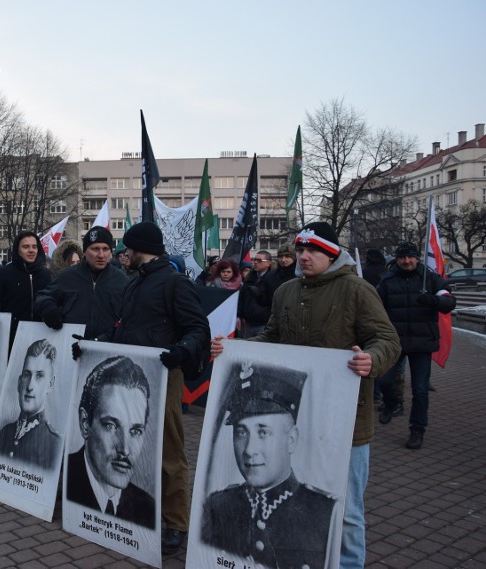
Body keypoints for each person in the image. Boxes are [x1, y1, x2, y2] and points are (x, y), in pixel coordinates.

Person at [210, 221, 400, 569]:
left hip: (347, 420)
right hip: (298, 420)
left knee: (347, 510)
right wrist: (233, 349)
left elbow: (387, 339)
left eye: (313, 250)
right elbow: (271, 338)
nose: (304, 256)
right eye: (300, 250)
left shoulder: (357, 290)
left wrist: (371, 358)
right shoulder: (286, 291)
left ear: (332, 254)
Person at [94, 221, 211, 553]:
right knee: (134, 449)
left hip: (164, 377)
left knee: (169, 451)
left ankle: (176, 523)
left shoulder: (174, 283)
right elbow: (122, 330)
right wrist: (95, 343)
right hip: (133, 378)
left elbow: (198, 329)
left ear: (138, 248)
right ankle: (141, 509)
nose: (121, 254)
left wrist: (182, 351)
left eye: (125, 249)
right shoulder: (134, 284)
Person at [200, 363, 335, 568]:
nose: (249, 450)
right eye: (241, 432)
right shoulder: (218, 505)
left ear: (291, 440)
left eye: (263, 432)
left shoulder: (325, 512)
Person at [376, 241, 456, 449]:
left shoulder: (430, 279)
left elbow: (449, 303)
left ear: (417, 258)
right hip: (396, 342)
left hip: (422, 342)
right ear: (397, 258)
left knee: (420, 390)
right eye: (402, 257)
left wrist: (432, 300)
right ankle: (392, 403)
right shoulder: (386, 280)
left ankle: (417, 429)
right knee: (384, 381)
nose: (406, 260)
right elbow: (376, 309)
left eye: (410, 256)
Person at [67, 355, 155, 529]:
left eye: (135, 431)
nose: (125, 449)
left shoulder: (147, 509)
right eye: (111, 425)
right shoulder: (62, 482)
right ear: (85, 423)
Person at [35, 226, 127, 340]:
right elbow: (42, 296)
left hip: (107, 349)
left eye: (105, 249)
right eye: (95, 249)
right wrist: (48, 307)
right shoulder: (68, 276)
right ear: (85, 252)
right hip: (71, 346)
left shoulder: (121, 280)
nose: (101, 255)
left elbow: (129, 318)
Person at [0, 339, 61, 469]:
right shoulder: (3, 434)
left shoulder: (55, 444)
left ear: (50, 384)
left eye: (39, 376)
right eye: (27, 375)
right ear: (19, 382)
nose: (30, 386)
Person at [0, 230, 51, 338]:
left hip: (39, 334)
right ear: (18, 250)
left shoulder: (45, 274)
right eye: (26, 247)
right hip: (12, 335)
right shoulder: (4, 273)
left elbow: (52, 298)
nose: (31, 250)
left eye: (34, 247)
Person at [238, 250, 275, 338]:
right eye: (254, 260)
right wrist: (239, 315)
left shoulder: (273, 279)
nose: (255, 262)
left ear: (268, 263)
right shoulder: (250, 278)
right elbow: (242, 298)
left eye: (259, 261)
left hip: (264, 323)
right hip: (248, 322)